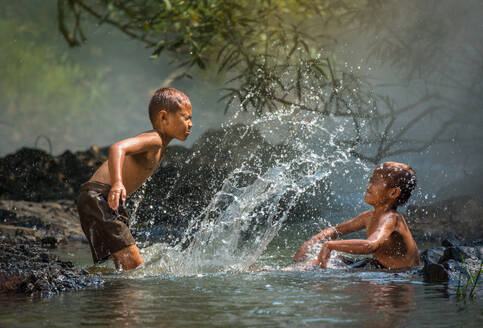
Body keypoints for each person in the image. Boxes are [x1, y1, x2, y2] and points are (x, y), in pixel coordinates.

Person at [77, 87, 193, 270]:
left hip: (98, 199)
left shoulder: (159, 145)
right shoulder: (154, 139)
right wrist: (117, 184)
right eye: (185, 117)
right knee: (134, 265)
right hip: (99, 197)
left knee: (119, 266)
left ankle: (112, 298)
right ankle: (128, 298)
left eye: (190, 118)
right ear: (163, 117)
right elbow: (117, 148)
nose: (190, 124)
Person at [293, 161, 420, 269]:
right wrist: (310, 243)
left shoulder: (392, 219)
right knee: (335, 260)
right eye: (370, 180)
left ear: (393, 193)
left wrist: (329, 245)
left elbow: (370, 245)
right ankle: (293, 271)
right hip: (380, 267)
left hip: (400, 276)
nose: (368, 186)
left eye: (375, 181)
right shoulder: (368, 216)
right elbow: (336, 230)